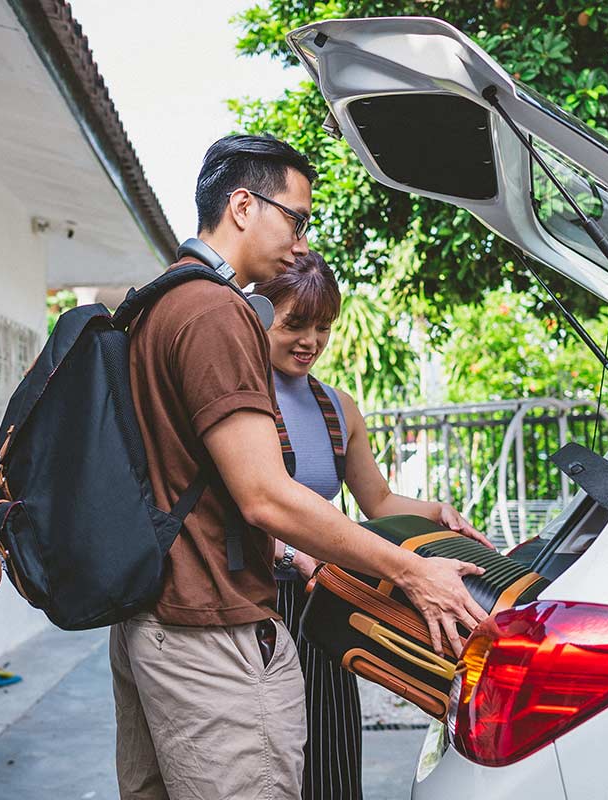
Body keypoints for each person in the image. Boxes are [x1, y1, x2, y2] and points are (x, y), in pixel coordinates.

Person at [110, 134, 488, 800]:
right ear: (243, 205)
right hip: (212, 631)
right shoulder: (216, 312)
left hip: (154, 621)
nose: (303, 241)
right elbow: (265, 498)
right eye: (297, 218)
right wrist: (412, 572)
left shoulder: (155, 306)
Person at [253, 252, 491, 800]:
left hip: (329, 600)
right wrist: (293, 555)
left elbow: (378, 499)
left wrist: (435, 512)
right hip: (258, 605)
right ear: (260, 316)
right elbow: (242, 508)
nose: (310, 340)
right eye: (294, 324)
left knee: (332, 753)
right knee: (267, 760)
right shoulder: (242, 400)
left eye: (323, 327)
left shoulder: (339, 408)